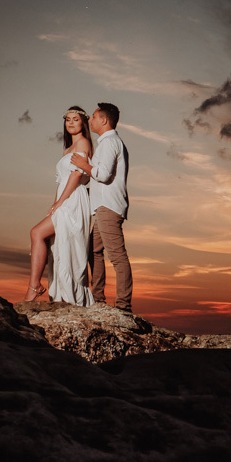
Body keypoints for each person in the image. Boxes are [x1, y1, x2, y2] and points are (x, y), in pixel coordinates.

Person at [24, 107, 93, 304]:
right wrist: (54, 203)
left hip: (73, 200)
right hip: (63, 199)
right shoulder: (67, 149)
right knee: (54, 243)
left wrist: (61, 201)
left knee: (37, 233)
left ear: (83, 123)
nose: (71, 123)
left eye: (75, 119)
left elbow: (77, 174)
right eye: (68, 119)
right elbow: (60, 180)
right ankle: (41, 287)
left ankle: (34, 287)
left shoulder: (83, 142)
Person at [71, 102, 133, 312]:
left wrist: (83, 165)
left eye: (94, 117)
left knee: (117, 256)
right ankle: (98, 300)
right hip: (101, 207)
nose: (90, 120)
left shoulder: (109, 143)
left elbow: (104, 175)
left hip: (108, 206)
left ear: (104, 120)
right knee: (93, 251)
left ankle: (124, 306)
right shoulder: (108, 143)